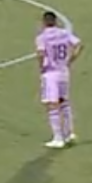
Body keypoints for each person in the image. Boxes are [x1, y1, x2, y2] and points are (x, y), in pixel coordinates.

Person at [35, 10, 82, 149]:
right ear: (55, 21)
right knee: (64, 102)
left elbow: (40, 53)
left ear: (44, 22)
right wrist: (70, 60)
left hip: (51, 73)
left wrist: (41, 68)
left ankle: (58, 138)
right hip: (63, 72)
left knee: (52, 104)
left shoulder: (42, 37)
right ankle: (70, 134)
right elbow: (79, 44)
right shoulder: (64, 33)